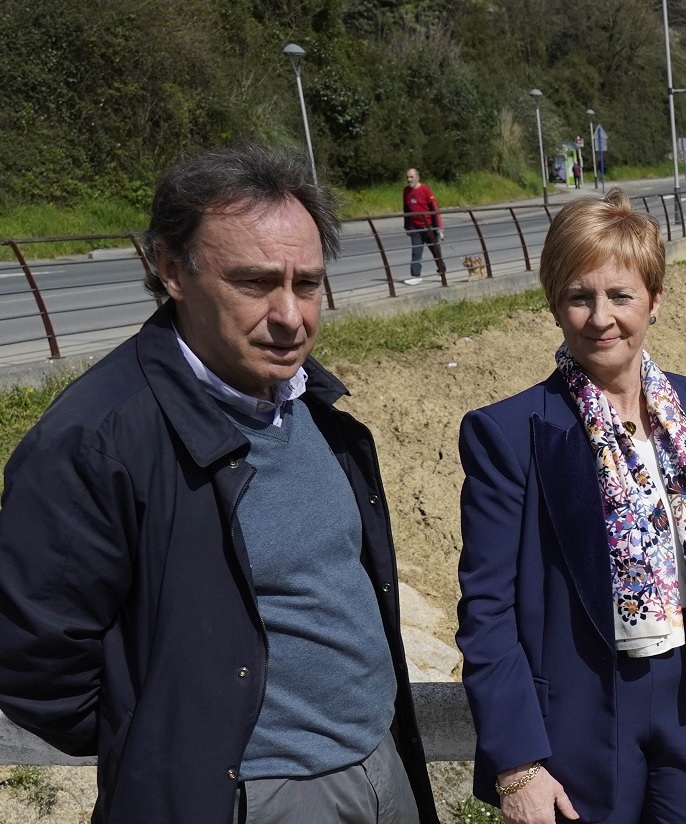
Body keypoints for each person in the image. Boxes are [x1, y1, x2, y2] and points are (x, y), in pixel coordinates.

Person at [0, 142, 439, 824]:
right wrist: (179, 748)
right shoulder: (96, 440)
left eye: (308, 284)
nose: (291, 316)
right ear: (172, 269)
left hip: (380, 769)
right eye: (256, 283)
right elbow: (34, 664)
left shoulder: (313, 408)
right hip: (248, 798)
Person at [457, 188, 686, 824]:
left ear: (655, 301)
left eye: (620, 296)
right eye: (579, 297)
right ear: (555, 306)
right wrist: (517, 765)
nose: (600, 318)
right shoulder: (509, 434)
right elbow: (487, 609)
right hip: (578, 725)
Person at [403, 167, 448, 285]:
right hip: (415, 227)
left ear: (418, 177)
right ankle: (415, 275)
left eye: (411, 177)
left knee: (435, 251)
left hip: (429, 226)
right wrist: (407, 226)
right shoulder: (406, 191)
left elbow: (434, 208)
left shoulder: (425, 190)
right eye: (407, 177)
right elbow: (406, 209)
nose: (409, 179)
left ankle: (442, 271)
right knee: (416, 252)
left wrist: (439, 226)